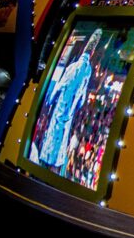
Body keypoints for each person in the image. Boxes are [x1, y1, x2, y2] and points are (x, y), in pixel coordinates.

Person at [38, 29, 103, 171]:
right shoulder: (87, 69)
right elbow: (82, 93)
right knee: (61, 132)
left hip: (62, 104)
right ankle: (53, 160)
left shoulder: (73, 66)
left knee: (55, 129)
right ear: (91, 53)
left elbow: (61, 84)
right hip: (69, 107)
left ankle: (47, 157)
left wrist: (51, 99)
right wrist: (77, 104)